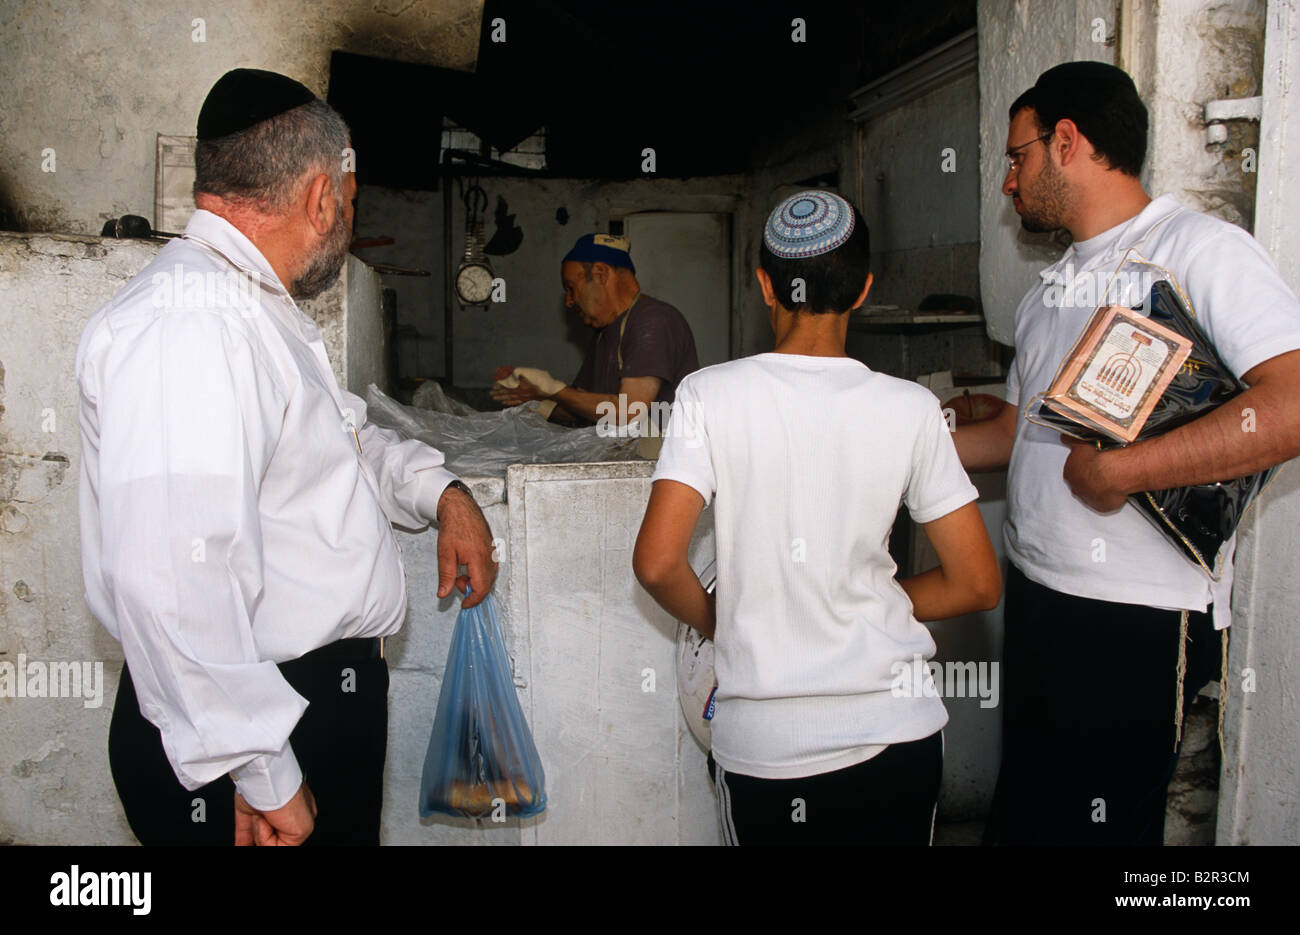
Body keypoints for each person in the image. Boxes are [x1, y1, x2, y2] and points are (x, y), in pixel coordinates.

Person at [76, 68, 497, 847]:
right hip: (256, 735)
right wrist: (266, 773)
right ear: (320, 196)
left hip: (293, 710)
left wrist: (443, 493)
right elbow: (170, 578)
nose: (346, 217)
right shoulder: (189, 327)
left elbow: (342, 443)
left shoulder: (250, 306)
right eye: (350, 199)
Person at [955, 61, 1300, 844]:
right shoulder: (1048, 291)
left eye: (1018, 157)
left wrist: (1124, 469)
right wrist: (899, 437)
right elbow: (1016, 435)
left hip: (1134, 615)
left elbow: (1290, 402)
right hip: (1038, 590)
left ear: (1067, 142)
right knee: (1029, 818)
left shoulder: (1197, 249)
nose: (1009, 183)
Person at [633, 190, 1001, 845]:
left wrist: (721, 617)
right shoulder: (911, 407)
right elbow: (976, 582)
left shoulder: (709, 396)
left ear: (765, 285)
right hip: (899, 737)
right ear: (863, 289)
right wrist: (871, 595)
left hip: (769, 751)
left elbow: (657, 563)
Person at [489, 233, 699, 431]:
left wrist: (555, 389)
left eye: (571, 288)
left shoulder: (653, 320)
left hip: (663, 461)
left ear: (600, 274)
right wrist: (535, 401)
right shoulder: (604, 333)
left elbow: (629, 412)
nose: (569, 302)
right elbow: (585, 409)